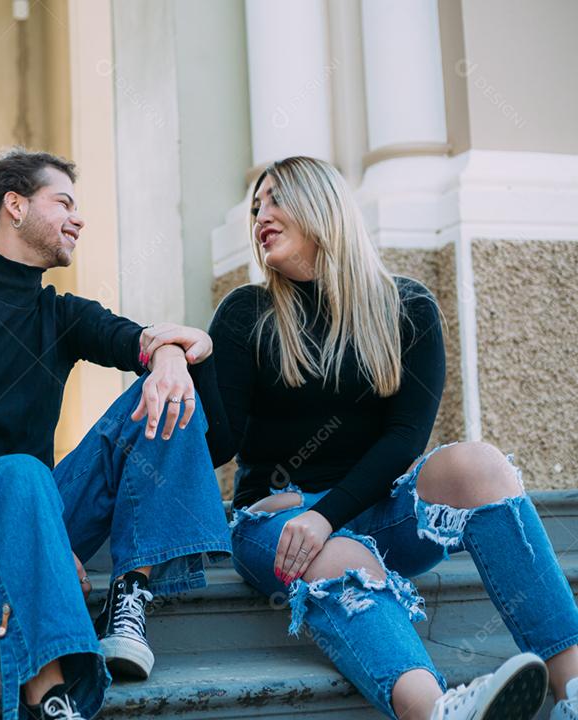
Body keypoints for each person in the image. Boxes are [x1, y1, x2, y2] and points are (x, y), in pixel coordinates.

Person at [190, 155, 578, 719]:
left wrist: (327, 510)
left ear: (322, 208)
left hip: (373, 509)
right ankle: (440, 710)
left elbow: (404, 439)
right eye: (254, 207)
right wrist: (186, 361)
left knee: (481, 464)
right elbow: (215, 445)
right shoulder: (247, 313)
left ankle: (572, 689)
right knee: (337, 552)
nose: (259, 217)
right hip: (277, 525)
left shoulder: (407, 307)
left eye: (275, 200)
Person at [0, 147, 232, 720]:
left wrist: (170, 357)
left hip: (45, 508)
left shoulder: (63, 314)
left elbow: (138, 339)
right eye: (65, 202)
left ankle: (130, 597)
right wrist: (41, 532)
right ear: (15, 205)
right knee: (22, 475)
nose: (79, 219)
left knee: (161, 397)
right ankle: (53, 698)